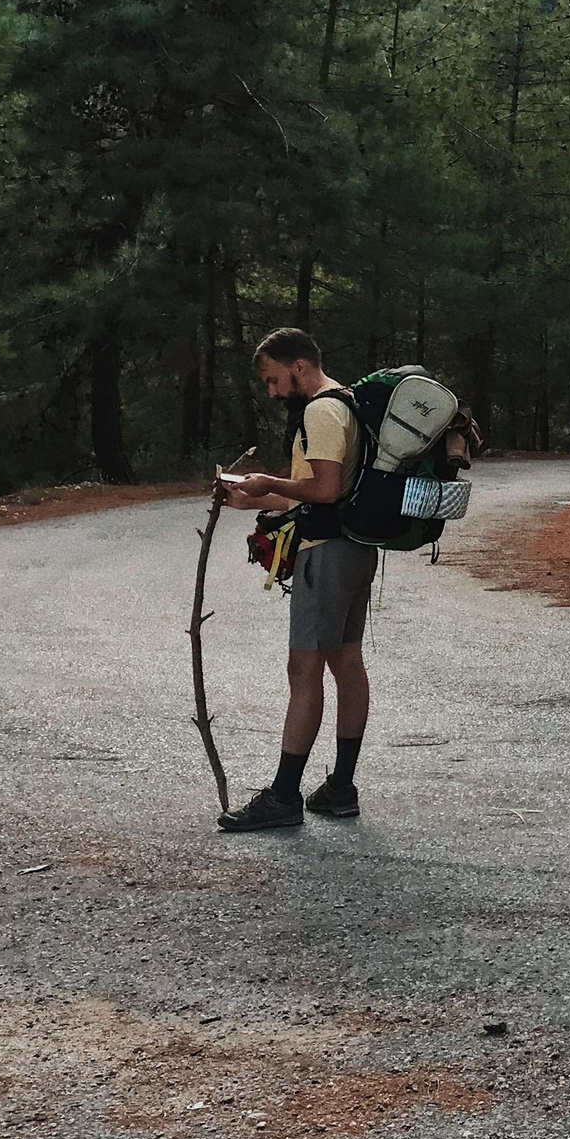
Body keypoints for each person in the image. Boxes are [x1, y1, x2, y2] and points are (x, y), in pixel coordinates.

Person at [216, 328, 374, 832]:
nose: (273, 391)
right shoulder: (347, 403)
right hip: (355, 547)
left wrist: (266, 480)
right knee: (347, 662)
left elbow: (323, 489)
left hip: (324, 553)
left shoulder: (320, 410)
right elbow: (306, 492)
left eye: (274, 379)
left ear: (300, 366)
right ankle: (340, 789)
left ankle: (284, 797)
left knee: (304, 672)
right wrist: (251, 497)